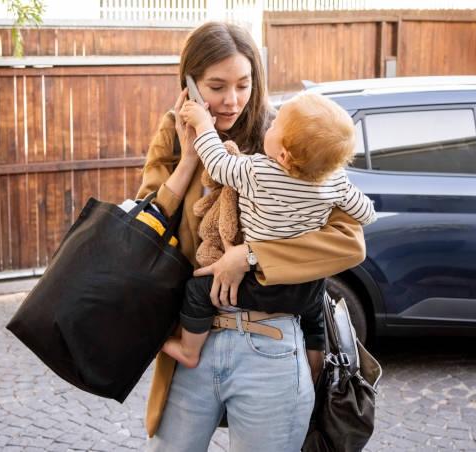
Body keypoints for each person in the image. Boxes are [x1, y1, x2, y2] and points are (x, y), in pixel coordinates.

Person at [138, 22, 366, 452]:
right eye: (216, 86)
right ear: (188, 83)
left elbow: (349, 241)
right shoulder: (172, 133)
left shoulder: (286, 138)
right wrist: (189, 159)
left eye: (243, 84)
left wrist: (251, 255)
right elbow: (144, 226)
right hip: (194, 342)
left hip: (271, 343)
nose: (231, 100)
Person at [161, 92, 376, 368]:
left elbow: (218, 163)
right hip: (303, 285)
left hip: (259, 281)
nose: (270, 125)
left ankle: (189, 352)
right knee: (314, 316)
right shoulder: (336, 184)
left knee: (197, 290)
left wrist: (203, 124)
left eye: (275, 126)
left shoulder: (258, 172)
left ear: (284, 156)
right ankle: (315, 368)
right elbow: (366, 214)